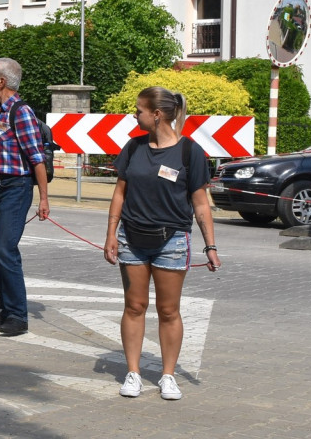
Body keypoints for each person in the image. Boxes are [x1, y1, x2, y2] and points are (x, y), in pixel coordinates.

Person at [104, 86, 220, 401]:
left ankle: (168, 376)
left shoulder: (189, 152)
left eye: (138, 110)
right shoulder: (133, 147)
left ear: (156, 115)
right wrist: (111, 233)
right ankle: (133, 373)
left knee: (169, 310)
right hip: (132, 238)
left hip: (173, 241)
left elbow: (200, 203)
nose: (134, 115)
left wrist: (210, 246)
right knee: (135, 306)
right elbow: (120, 193)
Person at [0, 57, 49, 337]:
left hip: (16, 187)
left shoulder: (20, 112)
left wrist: (43, 197)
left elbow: (36, 157)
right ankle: (7, 309)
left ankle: (19, 316)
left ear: (2, 81)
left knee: (5, 248)